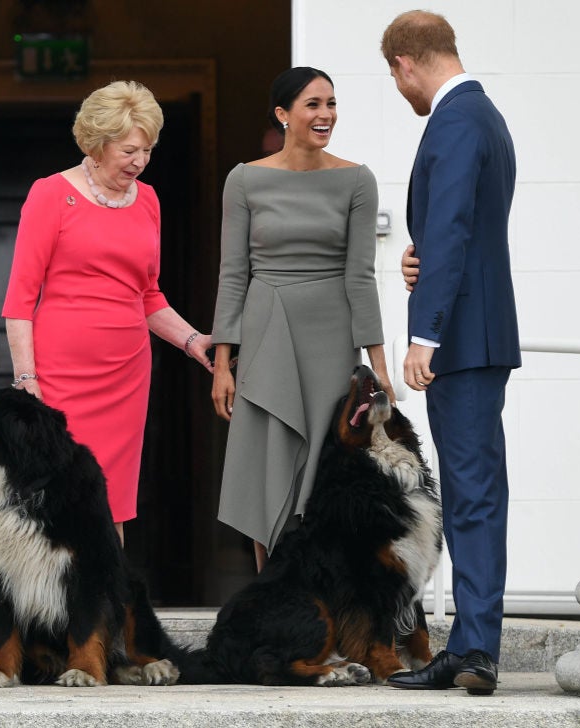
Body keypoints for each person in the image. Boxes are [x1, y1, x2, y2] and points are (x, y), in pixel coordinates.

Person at [2, 80, 212, 544]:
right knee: (57, 494)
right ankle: (53, 610)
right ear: (96, 145)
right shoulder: (51, 194)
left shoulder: (150, 201)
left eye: (149, 150)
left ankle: (106, 607)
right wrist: (26, 379)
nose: (140, 162)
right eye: (130, 150)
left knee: (111, 498)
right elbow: (20, 299)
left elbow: (149, 296)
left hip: (126, 377)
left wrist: (195, 341)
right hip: (60, 376)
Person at [380, 10, 521, 696]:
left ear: (406, 62)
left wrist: (424, 332)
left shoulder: (457, 118)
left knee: (470, 496)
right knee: (474, 492)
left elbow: (458, 223)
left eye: (393, 76)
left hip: (463, 338)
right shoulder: (481, 114)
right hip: (477, 330)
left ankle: (473, 650)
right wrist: (420, 258)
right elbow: (453, 228)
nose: (398, 88)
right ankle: (471, 648)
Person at [210, 67, 394, 573]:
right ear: (282, 114)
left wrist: (378, 367)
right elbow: (232, 274)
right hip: (266, 332)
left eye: (331, 104)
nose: (325, 115)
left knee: (326, 473)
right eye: (313, 104)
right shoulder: (244, 179)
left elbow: (361, 276)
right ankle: (272, 599)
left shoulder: (357, 179)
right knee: (267, 467)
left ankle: (327, 604)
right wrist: (223, 364)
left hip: (332, 341)